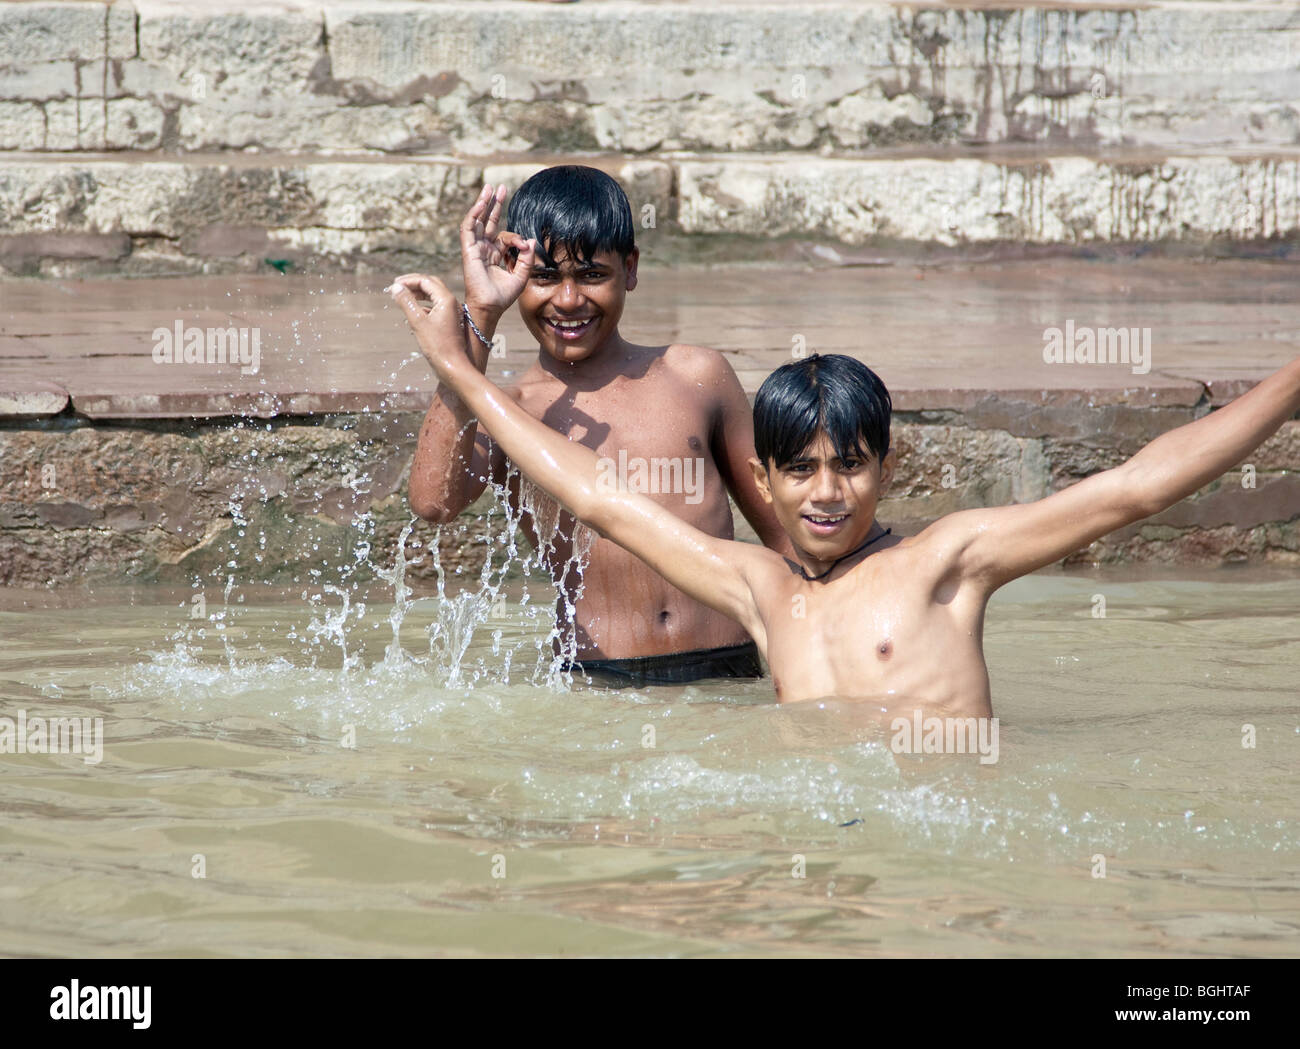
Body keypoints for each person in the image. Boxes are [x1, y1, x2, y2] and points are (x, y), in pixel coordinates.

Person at [392, 274, 1300, 714]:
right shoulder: (760, 589)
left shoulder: (947, 561)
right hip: (819, 851)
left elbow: (1137, 487)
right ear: (764, 482)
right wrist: (459, 367)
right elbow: (598, 497)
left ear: (887, 470)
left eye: (852, 465)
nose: (828, 493)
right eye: (801, 470)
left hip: (941, 860)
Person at [402, 166, 792, 686]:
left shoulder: (697, 375)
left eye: (591, 275)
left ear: (629, 269)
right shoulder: (509, 409)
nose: (567, 301)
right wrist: (481, 312)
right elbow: (434, 502)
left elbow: (782, 531)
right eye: (543, 278)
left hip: (728, 664)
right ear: (512, 272)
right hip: (596, 677)